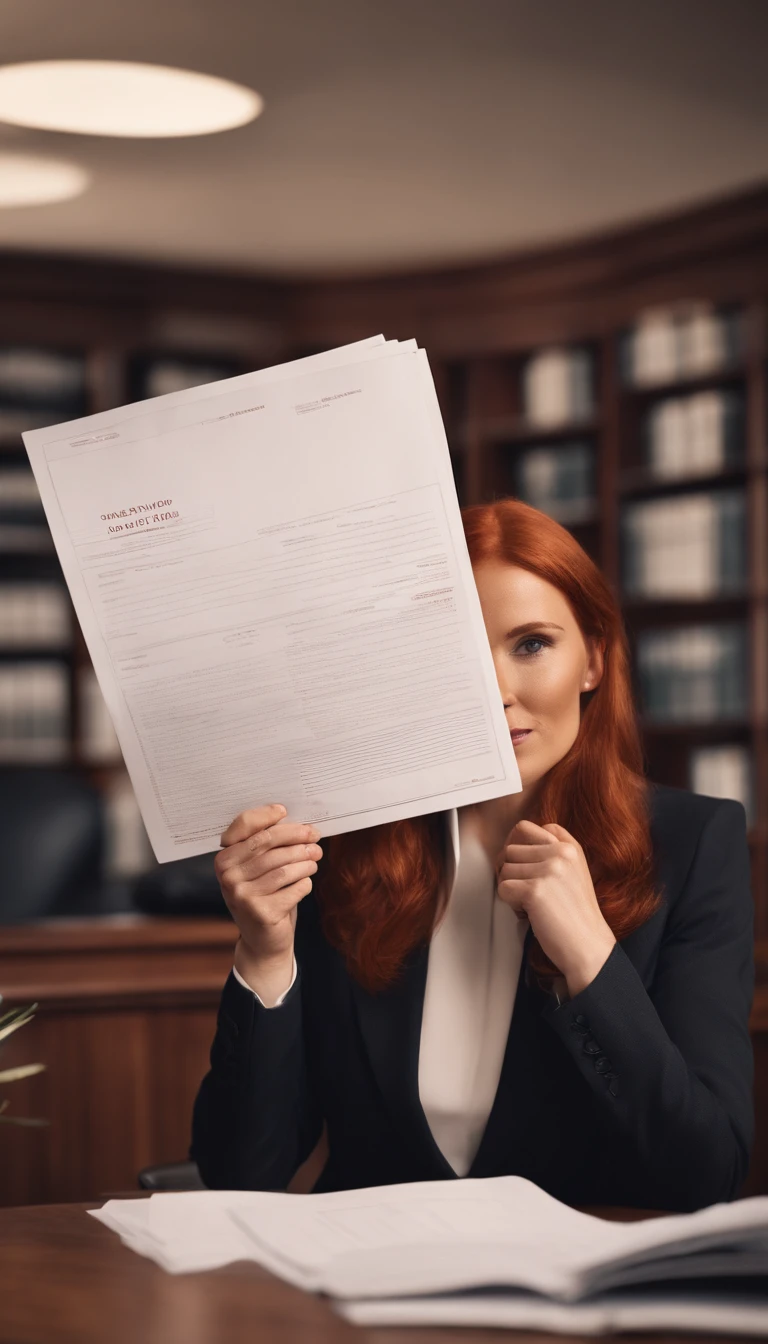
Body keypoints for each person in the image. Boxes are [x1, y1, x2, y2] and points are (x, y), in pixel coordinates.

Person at [190, 497, 754, 1212]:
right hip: (369, 1299)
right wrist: (266, 955)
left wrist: (590, 959)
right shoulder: (341, 852)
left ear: (595, 660)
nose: (494, 692)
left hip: (582, 1308)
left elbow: (706, 1171)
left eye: (531, 644)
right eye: (453, 654)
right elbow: (241, 1176)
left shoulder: (693, 847)